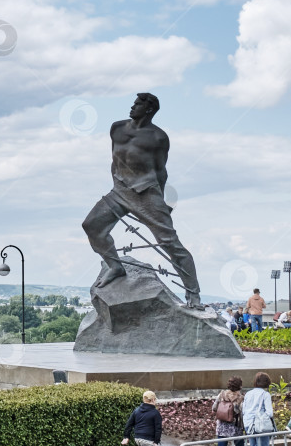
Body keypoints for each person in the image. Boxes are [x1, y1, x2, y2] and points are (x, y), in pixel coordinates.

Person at [82, 93, 203, 307]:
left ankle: (193, 293)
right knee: (92, 226)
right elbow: (114, 160)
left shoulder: (158, 137)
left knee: (170, 243)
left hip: (146, 193)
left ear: (148, 109)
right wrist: (117, 184)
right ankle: (115, 267)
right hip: (119, 190)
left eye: (137, 104)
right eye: (134, 102)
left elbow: (160, 170)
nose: (132, 106)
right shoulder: (116, 128)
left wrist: (161, 203)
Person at [236, 372, 273, 446]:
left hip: (249, 425)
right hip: (260, 426)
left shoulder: (248, 394)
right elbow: (270, 413)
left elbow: (244, 410)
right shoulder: (265, 395)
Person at [207, 376, 246, 446]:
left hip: (221, 427)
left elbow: (214, 408)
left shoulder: (222, 394)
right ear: (240, 386)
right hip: (235, 429)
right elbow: (242, 414)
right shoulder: (240, 398)